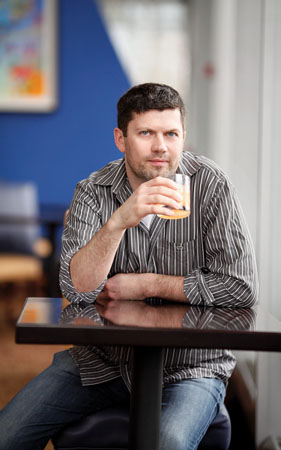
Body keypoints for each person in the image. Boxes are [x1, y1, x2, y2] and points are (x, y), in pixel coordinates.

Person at [0, 83, 258, 450]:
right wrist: (118, 221)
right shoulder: (94, 191)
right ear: (121, 139)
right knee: (8, 434)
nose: (160, 147)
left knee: (167, 442)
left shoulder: (210, 185)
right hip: (103, 362)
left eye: (171, 133)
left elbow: (241, 286)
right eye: (146, 133)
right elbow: (76, 290)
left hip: (192, 368)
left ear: (183, 135)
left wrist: (147, 284)